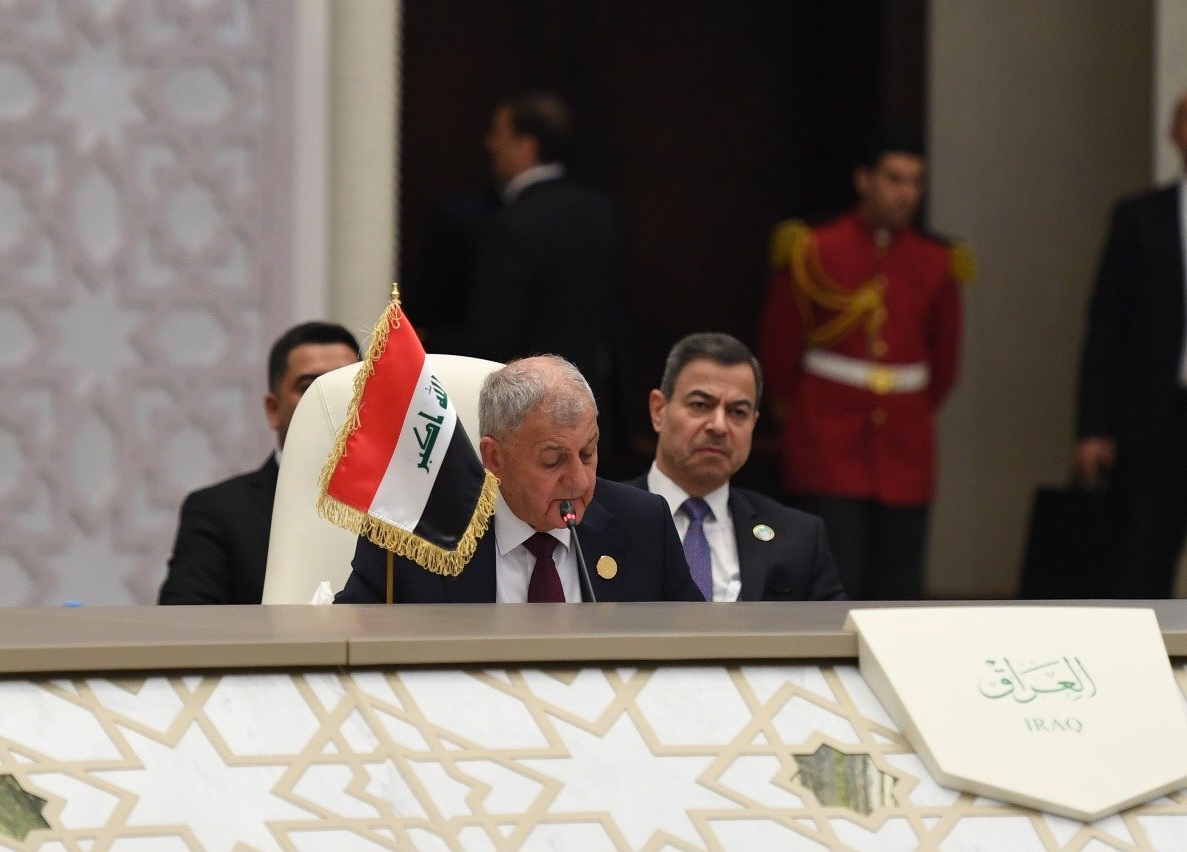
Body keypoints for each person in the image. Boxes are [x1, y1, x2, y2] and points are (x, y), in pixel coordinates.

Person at [758, 135, 965, 600]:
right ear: (864, 180)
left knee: (900, 591)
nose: (906, 193)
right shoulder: (813, 248)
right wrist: (797, 419)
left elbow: (944, 363)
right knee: (833, 583)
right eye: (894, 179)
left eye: (915, 182)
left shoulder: (937, 261)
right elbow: (780, 349)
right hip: (829, 443)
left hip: (906, 449)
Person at [335, 355, 703, 603]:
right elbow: (348, 650)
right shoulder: (412, 531)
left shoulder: (644, 524)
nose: (579, 481)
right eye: (552, 460)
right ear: (495, 458)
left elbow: (695, 652)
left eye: (588, 453)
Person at [434, 92, 629, 467]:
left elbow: (491, 335)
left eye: (499, 134)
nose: (490, 144)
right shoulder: (600, 213)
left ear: (526, 145)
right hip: (596, 403)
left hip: (531, 409)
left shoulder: (511, 223)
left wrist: (431, 342)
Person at [625, 332, 845, 601]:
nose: (719, 426)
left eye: (737, 412)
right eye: (700, 405)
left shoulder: (800, 538)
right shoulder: (596, 517)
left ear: (753, 424)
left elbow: (834, 627)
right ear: (658, 410)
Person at [159, 322, 361, 604]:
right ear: (273, 409)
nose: (331, 402)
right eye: (310, 387)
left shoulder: (399, 510)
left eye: (346, 386)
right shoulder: (219, 511)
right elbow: (186, 619)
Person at [1075, 91, 1187, 599]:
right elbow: (1106, 326)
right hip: (1154, 422)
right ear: (1176, 134)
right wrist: (1092, 427)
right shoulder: (1140, 217)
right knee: (1141, 563)